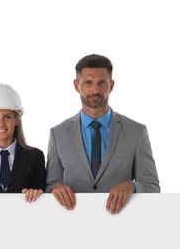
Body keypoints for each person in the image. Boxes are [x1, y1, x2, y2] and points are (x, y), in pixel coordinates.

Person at [46, 54, 160, 214]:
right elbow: (50, 185)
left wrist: (131, 186)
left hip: (121, 221)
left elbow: (152, 186)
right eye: (88, 83)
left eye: (102, 83)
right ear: (76, 85)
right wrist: (55, 188)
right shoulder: (58, 134)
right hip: (73, 221)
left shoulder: (137, 132)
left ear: (111, 85)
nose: (95, 90)